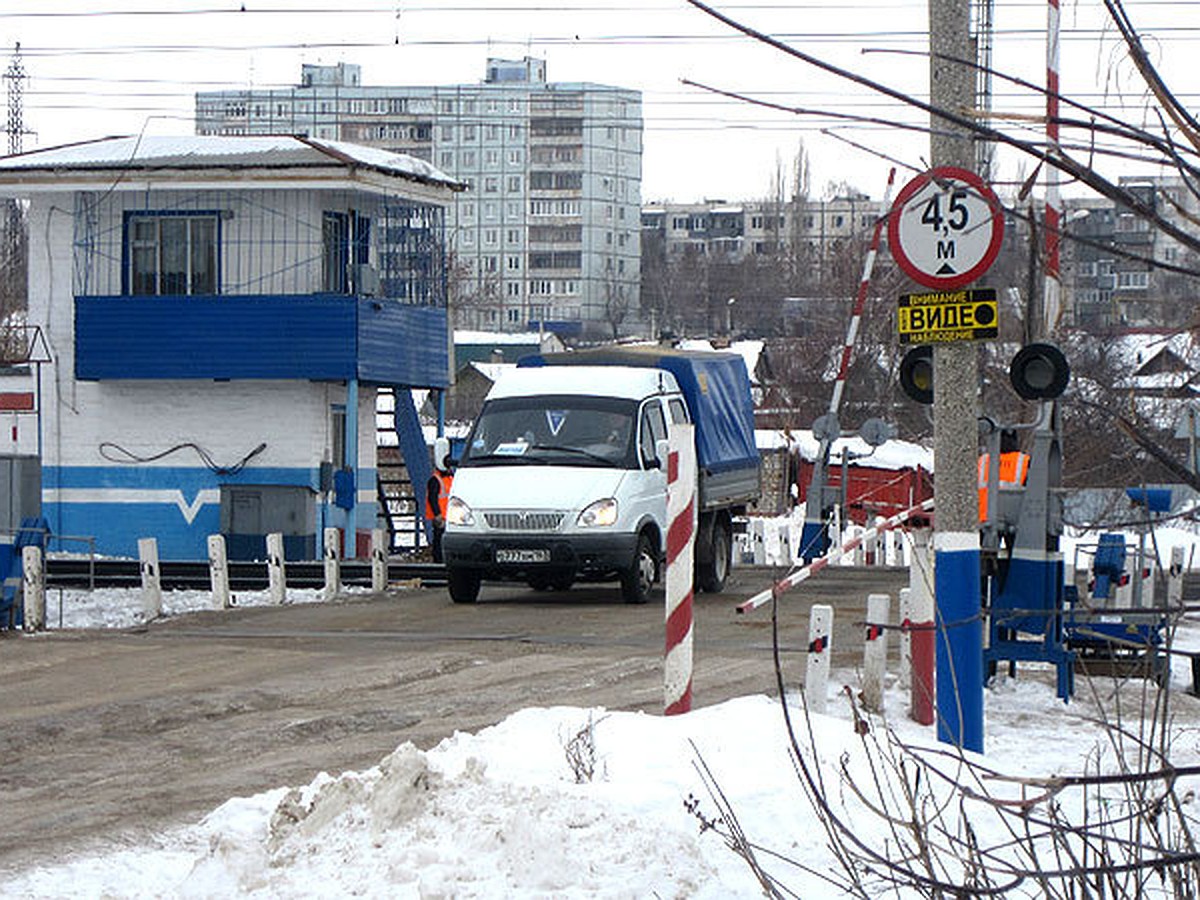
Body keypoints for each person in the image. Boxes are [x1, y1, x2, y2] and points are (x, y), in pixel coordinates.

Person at [425, 436, 453, 563]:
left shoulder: (449, 478)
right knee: (439, 544)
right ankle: (438, 563)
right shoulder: (436, 480)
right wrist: (437, 515)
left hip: (450, 518)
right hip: (441, 518)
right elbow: (433, 499)